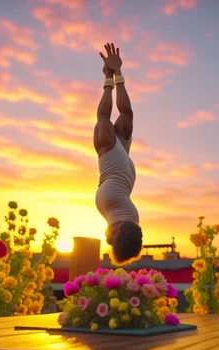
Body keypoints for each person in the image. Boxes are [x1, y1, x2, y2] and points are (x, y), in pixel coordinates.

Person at [94, 43, 143, 264]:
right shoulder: (126, 225)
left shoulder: (133, 224)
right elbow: (114, 239)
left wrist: (114, 72)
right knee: (116, 118)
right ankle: (111, 74)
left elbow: (119, 242)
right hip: (117, 167)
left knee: (117, 118)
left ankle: (112, 74)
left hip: (118, 168)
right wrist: (113, 73)